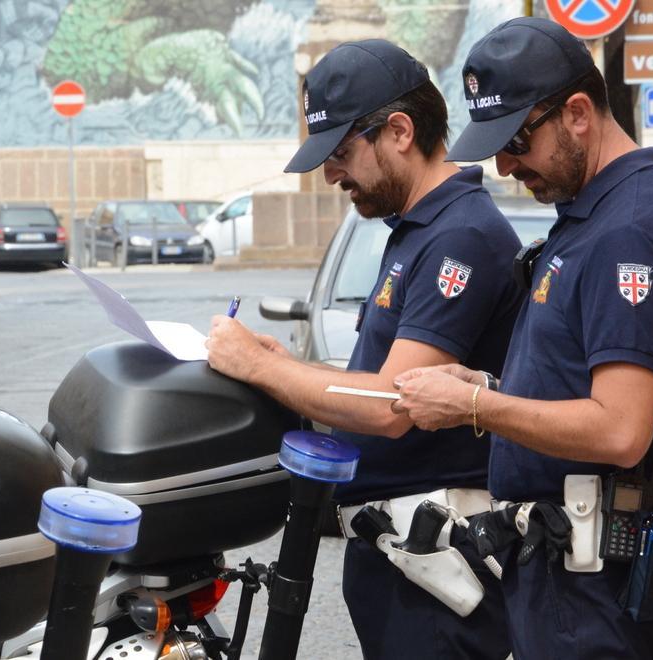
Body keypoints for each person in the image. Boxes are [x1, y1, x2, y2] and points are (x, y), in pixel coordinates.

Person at [391, 17, 653, 659]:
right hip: (567, 574)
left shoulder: (630, 230)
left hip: (591, 585)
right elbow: (579, 382)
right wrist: (487, 385)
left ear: (577, 113)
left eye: (515, 139)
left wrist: (476, 408)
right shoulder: (597, 211)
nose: (506, 165)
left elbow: (620, 429)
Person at [205, 39, 523, 659]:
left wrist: (262, 367)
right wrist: (289, 367)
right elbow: (378, 380)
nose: (330, 174)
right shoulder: (418, 229)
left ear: (399, 131)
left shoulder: (460, 237)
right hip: (404, 556)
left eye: (342, 152)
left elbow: (390, 406)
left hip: (436, 560)